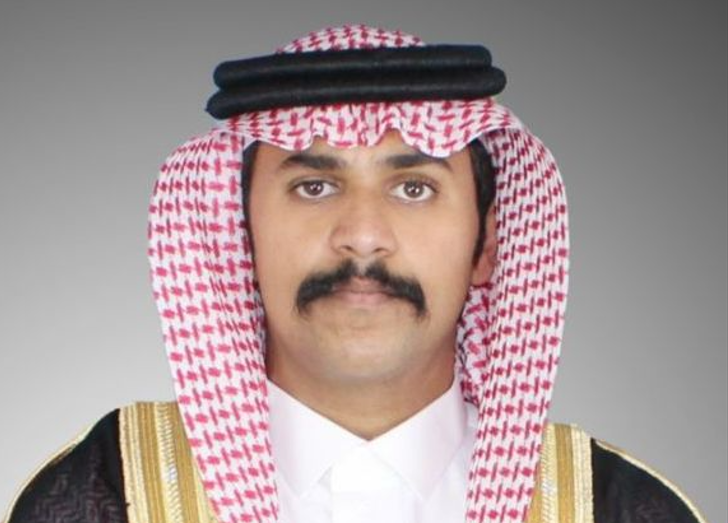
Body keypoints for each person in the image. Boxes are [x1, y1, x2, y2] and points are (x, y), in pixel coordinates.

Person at [2, 24, 707, 523]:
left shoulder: (612, 507)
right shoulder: (107, 494)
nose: (363, 235)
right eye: (313, 186)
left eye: (414, 188)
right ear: (239, 236)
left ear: (487, 245)